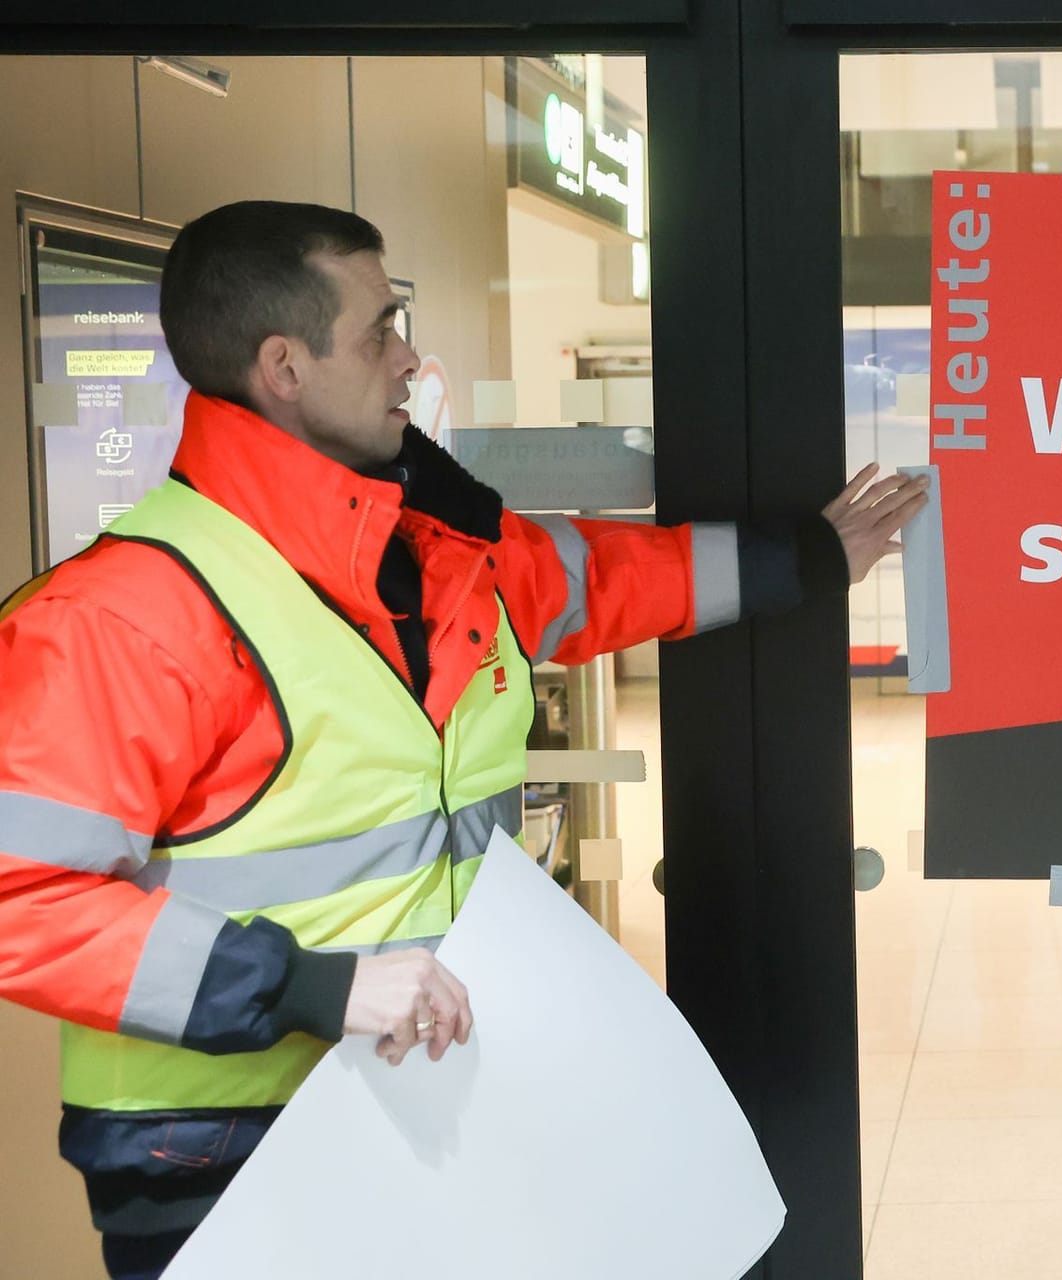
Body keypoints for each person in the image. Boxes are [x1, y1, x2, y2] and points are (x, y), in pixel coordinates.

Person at [0, 200, 927, 1280]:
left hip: (428, 1104)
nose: (409, 358)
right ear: (283, 366)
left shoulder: (442, 554)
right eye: (380, 330)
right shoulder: (119, 616)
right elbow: (23, 899)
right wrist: (316, 985)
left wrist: (811, 558)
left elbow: (613, 579)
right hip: (231, 1155)